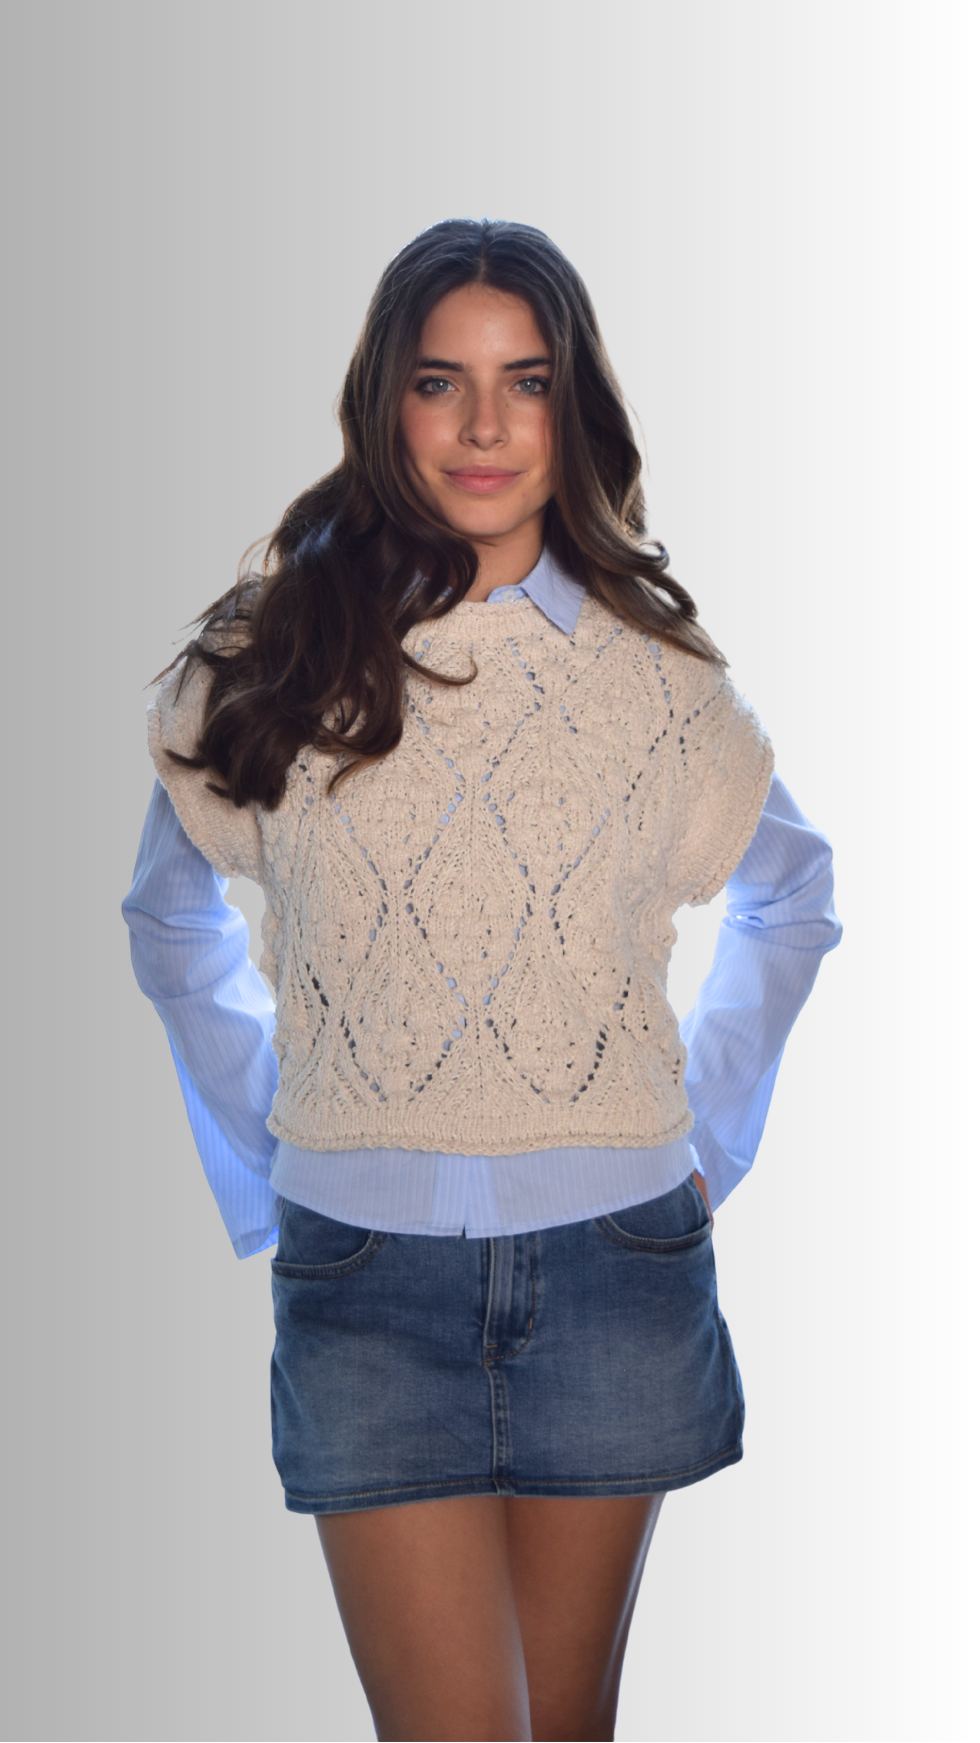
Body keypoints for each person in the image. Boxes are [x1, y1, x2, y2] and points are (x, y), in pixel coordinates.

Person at [123, 218, 841, 1743]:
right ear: (386, 401)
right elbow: (168, 918)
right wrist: (277, 1146)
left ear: (575, 409)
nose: (485, 426)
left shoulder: (661, 681)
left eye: (528, 381)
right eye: (441, 381)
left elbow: (792, 894)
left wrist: (707, 1135)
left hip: (617, 1267)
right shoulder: (276, 654)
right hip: (364, 1282)